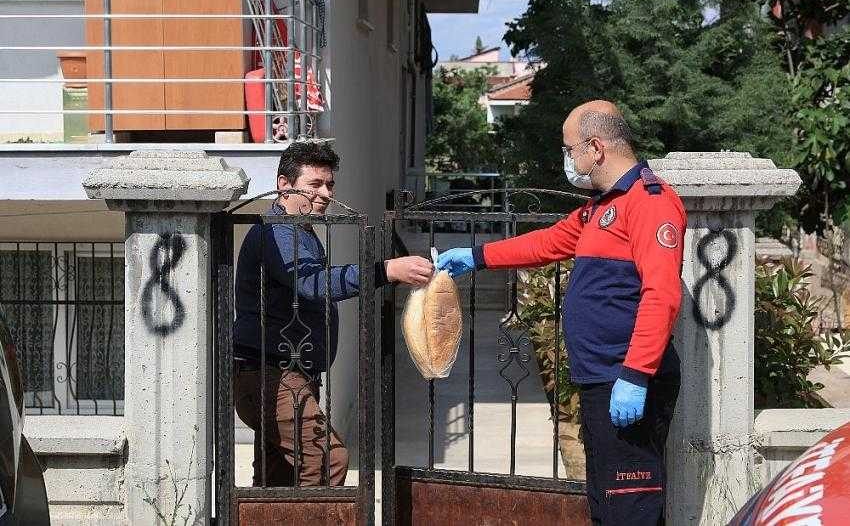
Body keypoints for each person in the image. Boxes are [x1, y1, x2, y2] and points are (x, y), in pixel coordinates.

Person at [437, 100, 686, 525]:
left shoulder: (650, 202)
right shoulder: (601, 206)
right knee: (606, 502)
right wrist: (477, 256)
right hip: (600, 378)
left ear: (596, 147)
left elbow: (661, 294)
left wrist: (636, 373)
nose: (568, 160)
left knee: (631, 506)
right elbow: (547, 243)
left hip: (624, 378)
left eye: (570, 150)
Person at [233, 139, 433, 487]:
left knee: (276, 479)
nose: (325, 193)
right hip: (273, 377)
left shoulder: (299, 231)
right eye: (315, 184)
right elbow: (313, 283)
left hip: (285, 374)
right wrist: (384, 271)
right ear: (284, 185)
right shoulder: (279, 232)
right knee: (328, 460)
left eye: (330, 185)